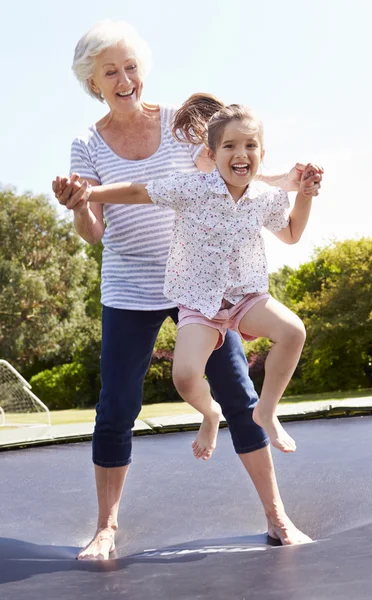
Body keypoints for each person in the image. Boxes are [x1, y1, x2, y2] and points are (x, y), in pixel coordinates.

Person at [53, 20, 322, 559]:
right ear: (94, 83)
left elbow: (231, 163)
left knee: (242, 397)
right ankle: (106, 527)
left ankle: (277, 516)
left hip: (206, 284)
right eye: (111, 72)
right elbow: (95, 229)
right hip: (131, 285)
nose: (125, 78)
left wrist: (287, 184)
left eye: (131, 67)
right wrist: (82, 202)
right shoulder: (87, 144)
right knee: (116, 406)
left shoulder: (180, 122)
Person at [59, 93, 322, 459]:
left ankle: (266, 409)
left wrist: (305, 194)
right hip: (200, 303)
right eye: (229, 145)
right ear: (212, 155)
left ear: (262, 154)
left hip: (246, 298)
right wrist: (89, 193)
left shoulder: (266, 197)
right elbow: (136, 191)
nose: (240, 153)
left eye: (250, 145)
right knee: (184, 378)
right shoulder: (191, 188)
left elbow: (292, 234)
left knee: (294, 331)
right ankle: (209, 412)